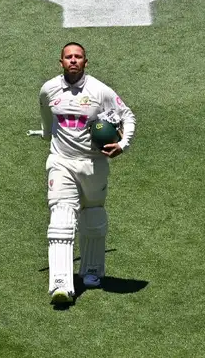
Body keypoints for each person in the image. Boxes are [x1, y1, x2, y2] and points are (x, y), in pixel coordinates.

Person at [38, 42, 136, 305]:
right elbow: (46, 115)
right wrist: (47, 134)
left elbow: (127, 116)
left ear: (85, 62)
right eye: (68, 57)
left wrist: (122, 145)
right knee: (61, 217)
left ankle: (92, 270)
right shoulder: (49, 89)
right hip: (61, 161)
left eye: (78, 57)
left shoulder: (99, 91)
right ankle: (60, 284)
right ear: (61, 62)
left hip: (93, 163)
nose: (73, 60)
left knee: (93, 214)